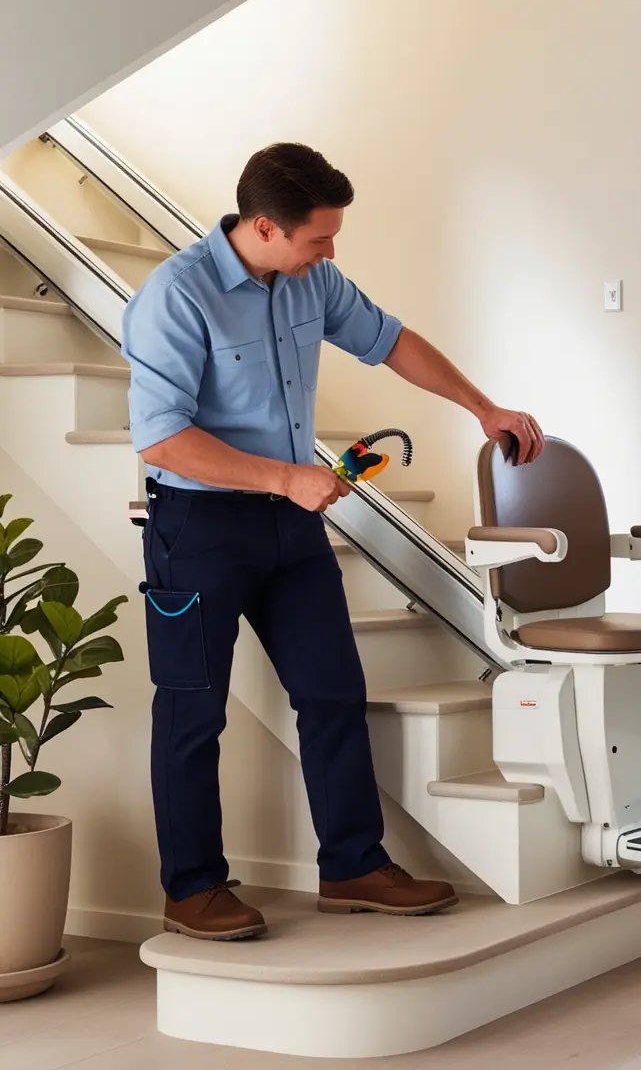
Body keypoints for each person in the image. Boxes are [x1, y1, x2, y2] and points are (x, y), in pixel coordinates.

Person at [123, 142, 544, 940]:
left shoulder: (311, 280)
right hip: (200, 529)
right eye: (319, 238)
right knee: (191, 714)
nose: (331, 252)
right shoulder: (175, 296)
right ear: (264, 228)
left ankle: (352, 864)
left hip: (292, 528)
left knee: (332, 695)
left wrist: (482, 408)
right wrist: (286, 478)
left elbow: (391, 340)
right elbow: (161, 439)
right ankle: (191, 889)